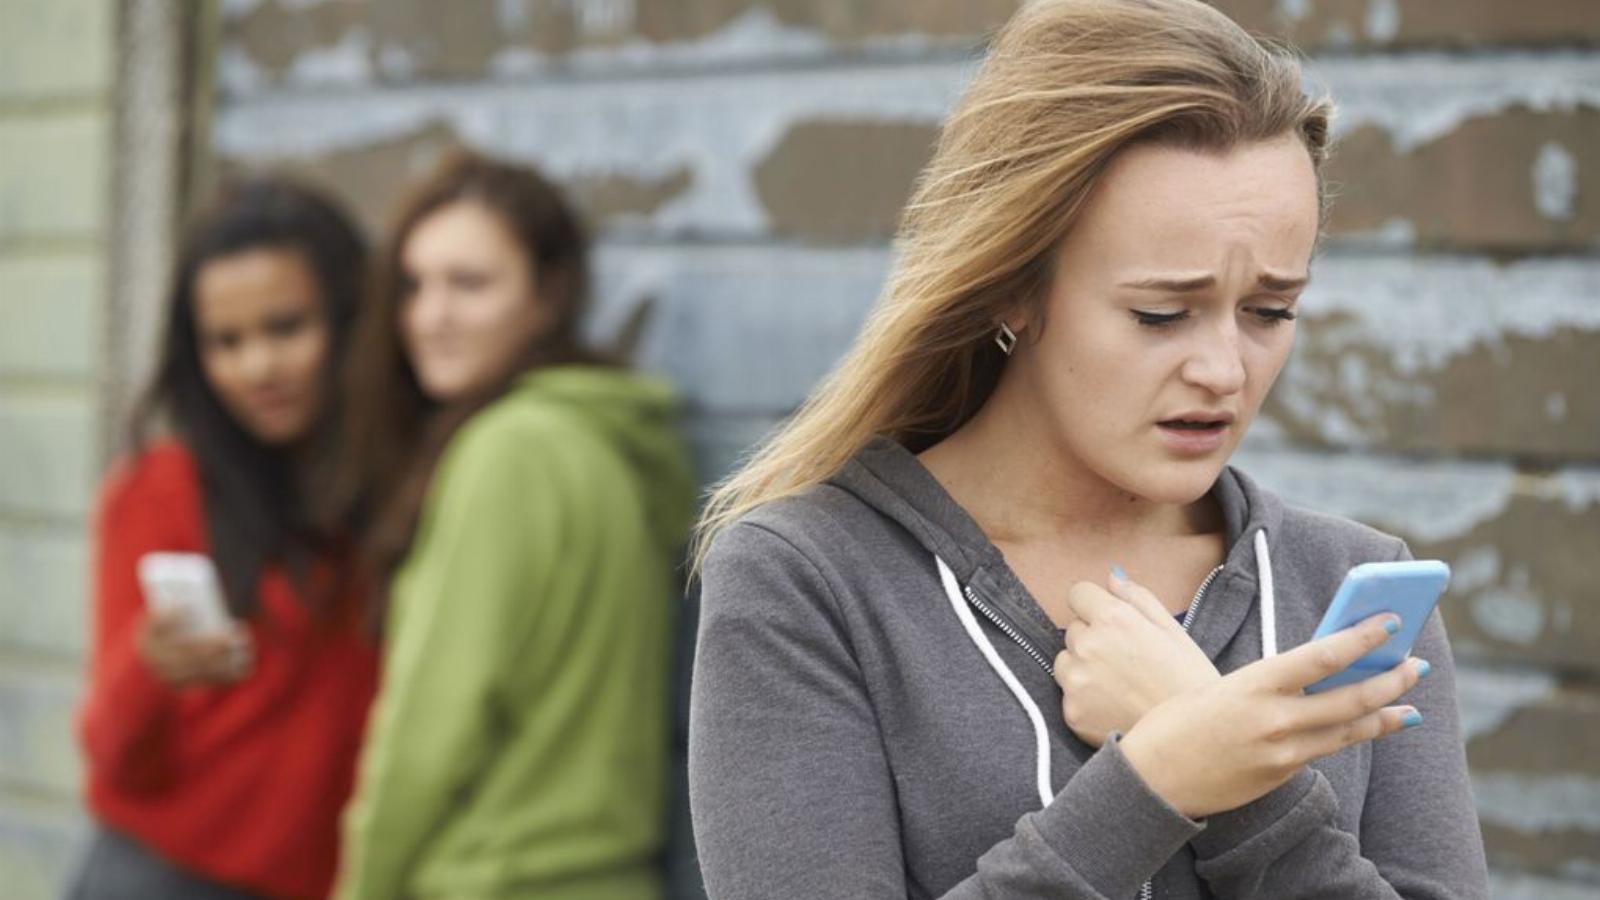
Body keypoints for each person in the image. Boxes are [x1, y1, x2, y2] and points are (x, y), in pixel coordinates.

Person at [688, 1, 1489, 898]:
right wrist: (1158, 782)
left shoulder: (1354, 588)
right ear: (1010, 290)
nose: (1225, 370)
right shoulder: (809, 582)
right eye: (1160, 313)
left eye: (1271, 310)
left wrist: (1247, 793)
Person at [330, 150, 696, 900]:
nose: (431, 316)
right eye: (413, 285)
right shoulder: (609, 441)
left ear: (548, 295)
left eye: (470, 283)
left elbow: (430, 730)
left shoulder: (507, 453)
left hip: (498, 879)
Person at [71, 180, 378, 900]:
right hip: (159, 875)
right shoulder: (157, 488)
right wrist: (149, 669)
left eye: (286, 327)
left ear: (350, 319)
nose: (257, 368)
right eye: (226, 341)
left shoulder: (393, 486)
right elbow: (109, 755)